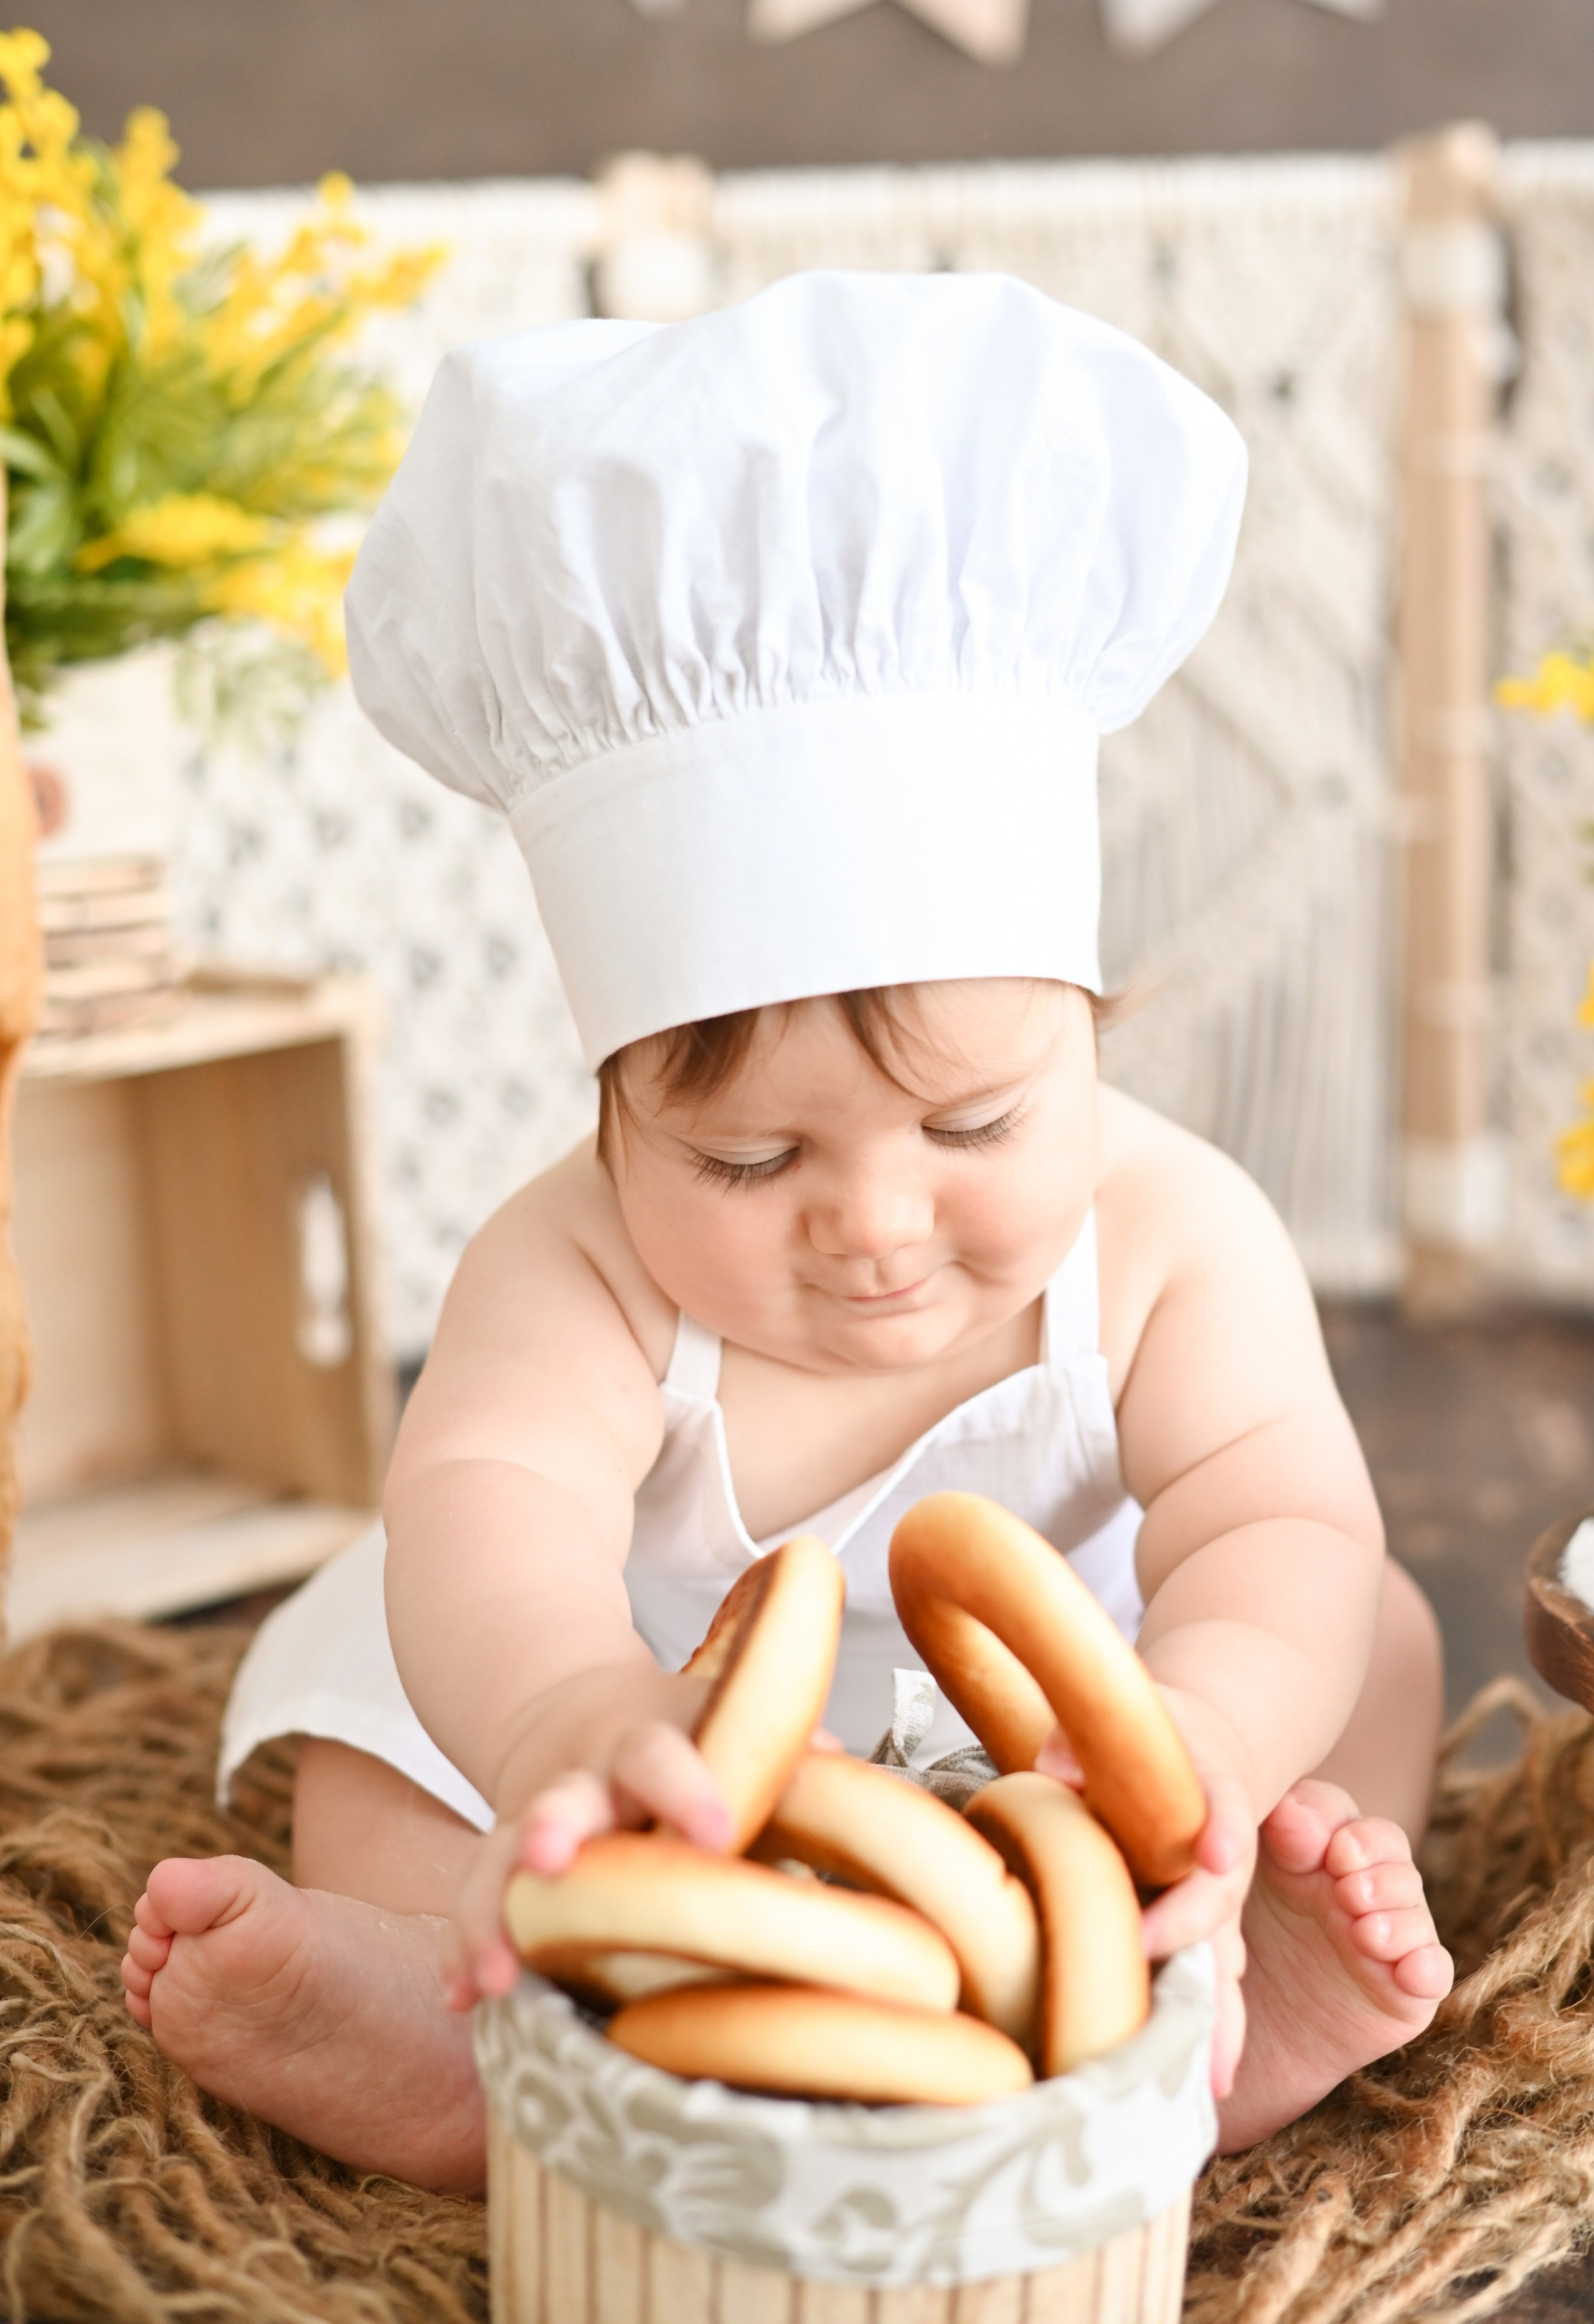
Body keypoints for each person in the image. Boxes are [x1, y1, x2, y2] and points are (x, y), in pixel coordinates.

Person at [120, 273, 1451, 2196]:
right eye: (748, 1161)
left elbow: (1278, 1518)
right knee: (386, 1726)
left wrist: (1206, 1741)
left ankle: (1211, 1985)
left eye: (977, 1125)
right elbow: (489, 1505)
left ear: (1095, 1030)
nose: (878, 1228)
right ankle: (472, 2016)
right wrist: (567, 1718)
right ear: (613, 1106)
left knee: (1366, 1638)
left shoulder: (1173, 1234)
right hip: (662, 1746)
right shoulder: (572, 1268)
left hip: (1066, 1757)